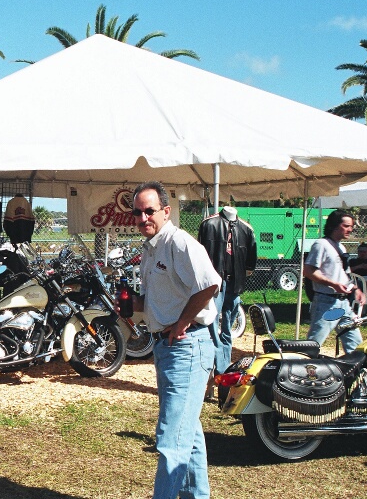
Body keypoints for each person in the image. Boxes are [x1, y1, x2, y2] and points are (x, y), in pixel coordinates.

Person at [124, 181, 221, 499]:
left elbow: (210, 285)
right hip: (167, 347)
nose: (142, 218)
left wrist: (182, 322)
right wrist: (132, 304)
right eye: (137, 212)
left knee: (170, 439)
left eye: (149, 211)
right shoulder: (150, 249)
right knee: (187, 433)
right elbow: (161, 298)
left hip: (187, 346)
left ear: (165, 211)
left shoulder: (179, 243)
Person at [198, 206, 257, 374]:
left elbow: (251, 261)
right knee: (212, 322)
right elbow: (200, 255)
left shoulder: (246, 229)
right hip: (215, 282)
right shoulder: (209, 224)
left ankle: (222, 368)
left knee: (228, 328)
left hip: (234, 283)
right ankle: (219, 368)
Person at [303, 209, 365, 354]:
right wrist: (333, 284)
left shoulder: (341, 247)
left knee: (356, 347)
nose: (350, 229)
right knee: (314, 344)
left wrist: (355, 289)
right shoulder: (321, 245)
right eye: (346, 226)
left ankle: (355, 367)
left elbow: (344, 275)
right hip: (327, 304)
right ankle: (303, 364)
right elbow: (309, 271)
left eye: (351, 226)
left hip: (344, 305)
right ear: (334, 226)